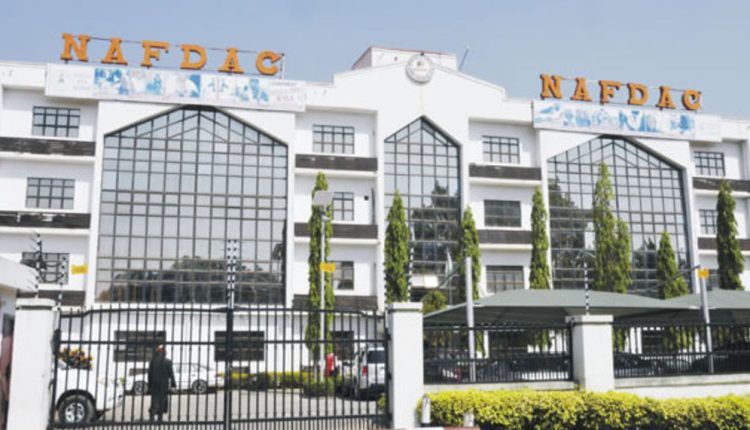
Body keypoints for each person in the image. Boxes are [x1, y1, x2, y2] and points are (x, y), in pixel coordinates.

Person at [147, 345, 175, 422]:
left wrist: (149, 385)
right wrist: (173, 384)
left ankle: (152, 418)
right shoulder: (168, 362)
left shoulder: (153, 361)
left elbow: (149, 374)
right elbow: (171, 373)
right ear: (164, 353)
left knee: (154, 401)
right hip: (164, 385)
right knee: (162, 401)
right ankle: (160, 418)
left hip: (155, 384)